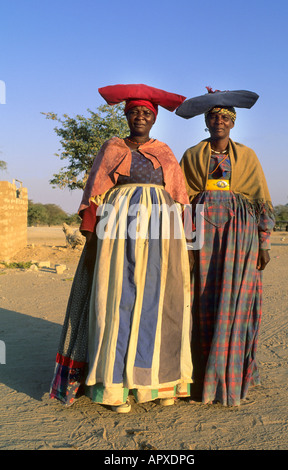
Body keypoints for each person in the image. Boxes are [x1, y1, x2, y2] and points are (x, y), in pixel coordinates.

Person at [50, 84, 193, 413]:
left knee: (157, 304)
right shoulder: (112, 148)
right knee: (116, 300)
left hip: (160, 234)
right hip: (117, 233)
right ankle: (113, 387)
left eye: (146, 113)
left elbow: (180, 199)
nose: (140, 117)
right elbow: (95, 192)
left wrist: (185, 241)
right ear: (126, 116)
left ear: (154, 119)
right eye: (134, 112)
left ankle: (156, 384)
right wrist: (91, 232)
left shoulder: (166, 152)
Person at [176, 87, 275, 406]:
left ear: (233, 123)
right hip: (202, 236)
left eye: (225, 117)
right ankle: (200, 376)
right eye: (213, 117)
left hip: (240, 236)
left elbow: (261, 200)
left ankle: (231, 377)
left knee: (235, 302)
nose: (219, 121)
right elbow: (182, 201)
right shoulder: (192, 155)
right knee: (202, 300)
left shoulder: (247, 156)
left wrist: (264, 242)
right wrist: (186, 243)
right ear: (206, 122)